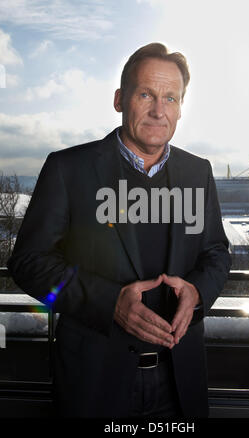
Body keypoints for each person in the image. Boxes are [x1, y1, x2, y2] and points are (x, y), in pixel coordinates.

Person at [7, 42, 231, 418]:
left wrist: (198, 292)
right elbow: (28, 262)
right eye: (146, 94)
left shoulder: (199, 172)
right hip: (94, 382)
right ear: (119, 99)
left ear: (180, 108)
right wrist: (109, 302)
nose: (159, 110)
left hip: (180, 381)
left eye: (171, 99)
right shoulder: (68, 169)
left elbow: (216, 253)